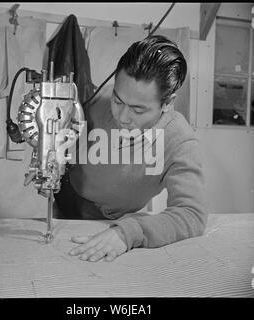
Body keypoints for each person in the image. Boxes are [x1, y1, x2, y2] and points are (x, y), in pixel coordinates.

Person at [54, 35, 208, 262]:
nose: (122, 116)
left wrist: (128, 233)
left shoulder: (180, 140)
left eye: (138, 110)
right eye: (118, 101)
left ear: (167, 103)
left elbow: (192, 214)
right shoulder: (97, 100)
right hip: (65, 202)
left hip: (113, 222)